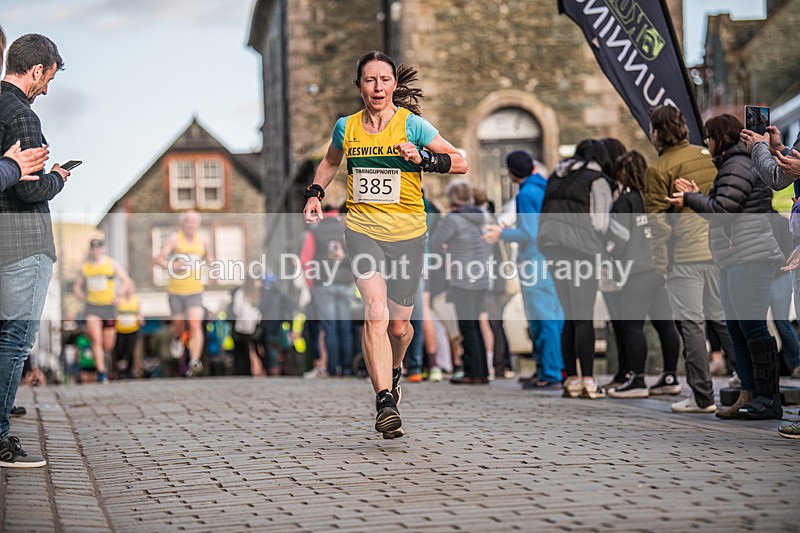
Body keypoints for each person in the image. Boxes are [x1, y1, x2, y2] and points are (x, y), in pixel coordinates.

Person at [302, 50, 467, 438]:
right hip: (362, 231)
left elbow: (460, 161)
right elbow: (331, 161)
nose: (378, 87)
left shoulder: (412, 125)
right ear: (359, 86)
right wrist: (314, 194)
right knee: (374, 310)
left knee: (398, 327)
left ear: (394, 85)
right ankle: (384, 401)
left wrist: (424, 158)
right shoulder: (346, 127)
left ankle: (394, 371)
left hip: (408, 235)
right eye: (370, 80)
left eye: (385, 79)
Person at [669, 114, 784, 420]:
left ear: (719, 137)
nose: (706, 143)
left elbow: (723, 211)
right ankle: (748, 393)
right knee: (737, 329)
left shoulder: (738, 164)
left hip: (751, 256)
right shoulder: (731, 165)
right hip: (735, 258)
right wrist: (699, 195)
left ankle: (767, 398)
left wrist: (691, 198)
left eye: (708, 137)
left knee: (753, 328)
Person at [0, 33, 68, 468]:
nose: (46, 89)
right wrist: (57, 178)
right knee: (16, 339)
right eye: (48, 79)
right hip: (25, 243)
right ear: (36, 70)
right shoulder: (23, 116)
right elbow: (27, 189)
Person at [645, 105, 733, 414]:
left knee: (692, 326)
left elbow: (657, 225)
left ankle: (702, 396)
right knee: (724, 320)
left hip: (684, 256)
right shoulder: (707, 156)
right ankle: (747, 382)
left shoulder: (658, 169)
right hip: (718, 250)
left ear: (657, 133)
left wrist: (661, 265)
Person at [538, 139, 613, 399]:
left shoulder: (555, 175)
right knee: (583, 316)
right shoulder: (597, 179)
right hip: (582, 251)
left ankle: (570, 379)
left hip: (553, 248)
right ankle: (589, 381)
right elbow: (601, 222)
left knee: (569, 314)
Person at [483, 150, 564, 389]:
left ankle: (549, 373)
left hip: (534, 261)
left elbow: (528, 233)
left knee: (541, 318)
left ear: (511, 172)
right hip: (549, 258)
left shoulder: (526, 193)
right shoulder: (544, 187)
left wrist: (502, 233)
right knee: (552, 316)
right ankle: (551, 368)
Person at [604, 151, 680, 398]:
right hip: (660, 270)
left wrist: (608, 254)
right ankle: (670, 377)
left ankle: (637, 379)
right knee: (665, 325)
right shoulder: (657, 198)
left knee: (632, 325)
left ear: (623, 173)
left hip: (635, 272)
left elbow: (617, 241)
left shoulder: (624, 203)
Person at [430, 179, 492, 385]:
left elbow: (435, 242)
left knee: (466, 326)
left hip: (463, 278)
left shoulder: (453, 219)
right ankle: (482, 371)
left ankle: (472, 372)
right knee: (475, 324)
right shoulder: (480, 215)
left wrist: (446, 252)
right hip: (481, 277)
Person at [156, 210, 213, 377]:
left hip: (195, 290)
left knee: (195, 325)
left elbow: (210, 259)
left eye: (194, 221)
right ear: (183, 224)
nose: (191, 224)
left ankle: (194, 361)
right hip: (176, 291)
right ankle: (177, 338)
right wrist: (173, 266)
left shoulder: (203, 241)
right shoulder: (175, 240)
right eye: (188, 221)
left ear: (198, 224)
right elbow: (159, 259)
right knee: (179, 325)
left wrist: (212, 271)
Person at [74, 239, 133, 382]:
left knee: (108, 345)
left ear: (103, 249)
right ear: (90, 250)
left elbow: (126, 281)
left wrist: (119, 295)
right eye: (94, 248)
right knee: (96, 339)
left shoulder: (111, 264)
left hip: (108, 307)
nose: (96, 250)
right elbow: (77, 286)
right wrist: (80, 294)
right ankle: (101, 372)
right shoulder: (85, 267)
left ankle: (105, 362)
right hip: (92, 306)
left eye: (99, 247)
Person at [113, 281, 144, 379]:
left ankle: (128, 371)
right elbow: (114, 312)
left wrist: (140, 318)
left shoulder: (136, 300)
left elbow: (139, 313)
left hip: (132, 329)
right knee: (119, 351)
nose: (129, 291)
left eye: (131, 288)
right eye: (127, 288)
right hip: (120, 330)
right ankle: (119, 370)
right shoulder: (119, 300)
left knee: (130, 351)